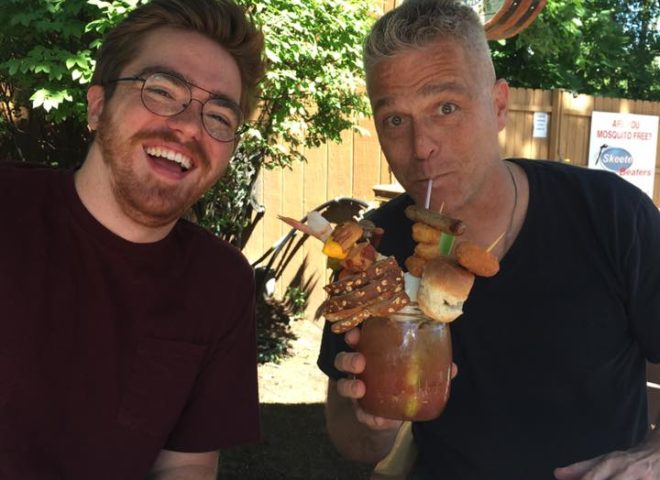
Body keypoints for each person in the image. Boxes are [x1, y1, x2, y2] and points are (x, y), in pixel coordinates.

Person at [316, 0, 660, 479]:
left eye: (447, 107)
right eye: (395, 119)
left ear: (499, 106)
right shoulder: (376, 247)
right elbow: (351, 441)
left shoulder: (612, 215)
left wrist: (650, 460)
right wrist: (375, 421)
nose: (421, 147)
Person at [0, 0, 264, 478]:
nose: (187, 127)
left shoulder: (220, 284)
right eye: (161, 91)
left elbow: (187, 464)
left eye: (220, 118)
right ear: (97, 105)